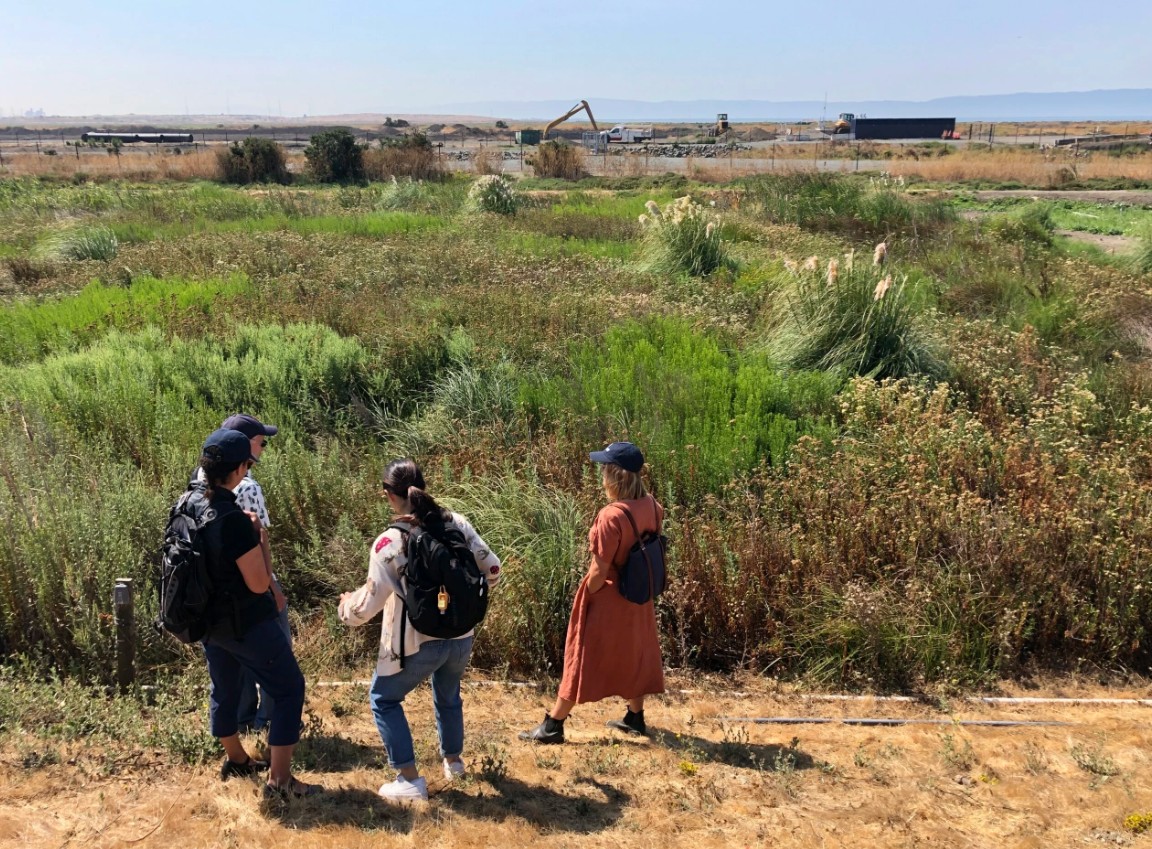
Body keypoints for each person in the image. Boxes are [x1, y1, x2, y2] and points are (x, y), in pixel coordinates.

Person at [338, 458, 501, 802]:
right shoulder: (456, 522)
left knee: (383, 699)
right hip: (461, 637)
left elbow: (366, 607)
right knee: (448, 693)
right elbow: (493, 567)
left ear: (389, 496)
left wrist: (345, 608)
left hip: (416, 642)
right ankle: (453, 762)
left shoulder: (388, 543)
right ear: (423, 486)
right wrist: (456, 603)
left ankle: (408, 779)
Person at [196, 428, 319, 799]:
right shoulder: (233, 518)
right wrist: (260, 540)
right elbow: (258, 582)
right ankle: (280, 780)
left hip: (208, 623)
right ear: (239, 469)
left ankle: (236, 759)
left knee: (225, 688)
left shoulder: (187, 504)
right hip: (243, 622)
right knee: (288, 689)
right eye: (248, 463)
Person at [520, 441, 665, 744]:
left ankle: (553, 725)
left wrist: (585, 592)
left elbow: (599, 571)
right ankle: (635, 717)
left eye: (604, 469)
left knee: (582, 656)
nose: (600, 474)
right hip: (639, 595)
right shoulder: (652, 505)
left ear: (615, 476)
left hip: (611, 596)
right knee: (633, 653)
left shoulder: (611, 516)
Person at [195, 413, 287, 732]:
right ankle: (268, 722)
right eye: (261, 443)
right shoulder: (248, 487)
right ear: (245, 448)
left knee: (227, 670)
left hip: (213, 597)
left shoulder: (199, 481)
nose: (263, 449)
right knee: (280, 660)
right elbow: (258, 546)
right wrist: (274, 590)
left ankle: (242, 722)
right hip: (250, 592)